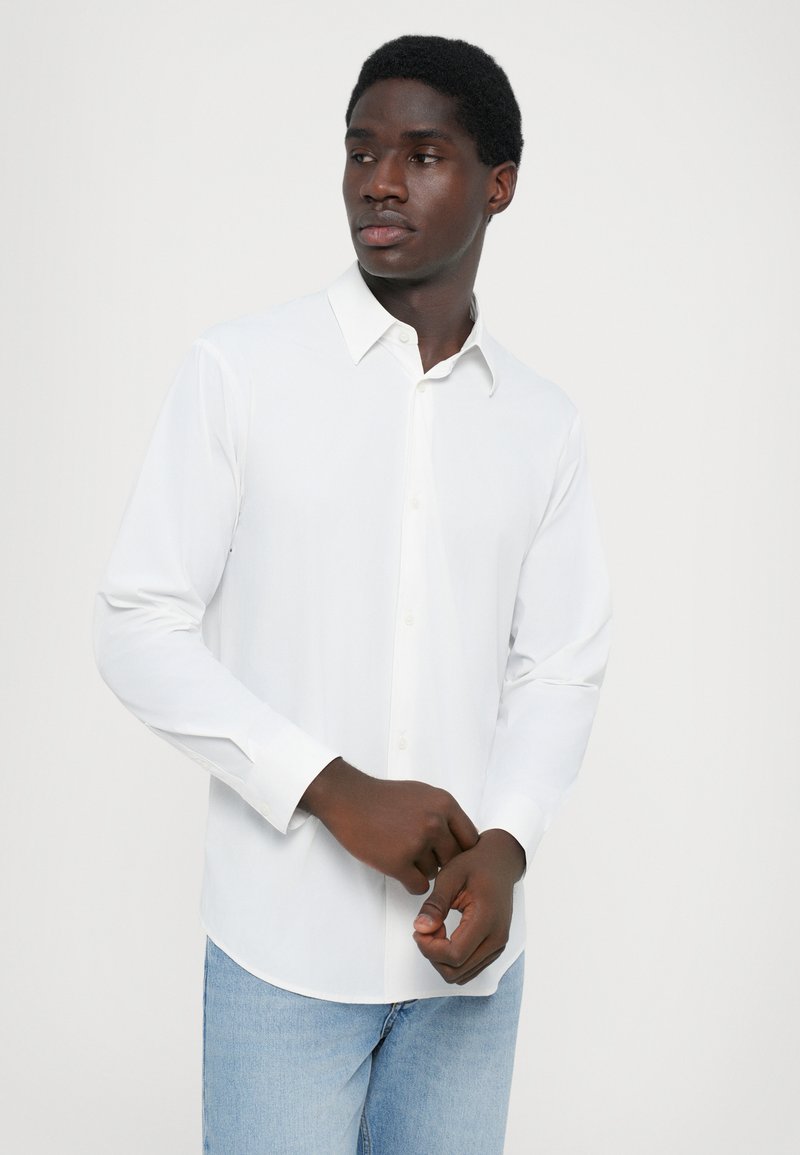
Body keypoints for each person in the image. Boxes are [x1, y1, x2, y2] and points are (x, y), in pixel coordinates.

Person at [94, 33, 613, 1155]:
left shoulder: (541, 422)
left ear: (498, 185)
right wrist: (330, 787)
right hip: (281, 954)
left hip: (467, 961)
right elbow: (136, 623)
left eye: (422, 155)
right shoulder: (240, 371)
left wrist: (509, 842)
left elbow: (560, 666)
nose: (379, 181)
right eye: (361, 150)